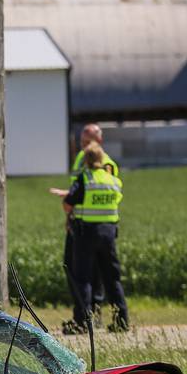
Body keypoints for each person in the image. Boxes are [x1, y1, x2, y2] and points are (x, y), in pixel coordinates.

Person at [50, 124, 120, 321]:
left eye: (87, 142)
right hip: (79, 222)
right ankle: (85, 313)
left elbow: (99, 191)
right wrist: (68, 218)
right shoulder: (82, 158)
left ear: (99, 142)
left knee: (93, 273)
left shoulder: (106, 164)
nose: (83, 146)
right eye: (81, 142)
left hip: (93, 226)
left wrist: (69, 198)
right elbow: (80, 193)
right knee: (72, 268)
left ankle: (91, 316)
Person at [62, 141, 129, 332]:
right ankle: (121, 321)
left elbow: (68, 203)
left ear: (85, 160)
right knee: (112, 278)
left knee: (82, 278)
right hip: (109, 234)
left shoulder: (85, 178)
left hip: (86, 234)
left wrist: (71, 214)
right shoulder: (113, 181)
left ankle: (83, 323)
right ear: (101, 159)